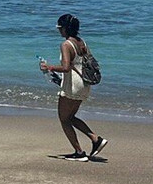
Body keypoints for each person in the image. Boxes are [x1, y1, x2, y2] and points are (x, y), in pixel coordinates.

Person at [40, 13, 109, 161]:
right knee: (70, 117)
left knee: (64, 119)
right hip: (84, 84)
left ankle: (79, 152)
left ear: (64, 28)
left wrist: (49, 67)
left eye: (59, 28)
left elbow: (66, 67)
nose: (59, 31)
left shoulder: (66, 44)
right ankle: (96, 140)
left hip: (73, 85)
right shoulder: (82, 42)